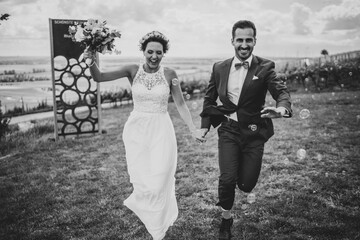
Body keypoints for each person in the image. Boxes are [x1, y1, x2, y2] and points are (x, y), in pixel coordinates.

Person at [84, 31, 205, 240]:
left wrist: (193, 128)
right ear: (143, 51)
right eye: (150, 52)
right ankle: (151, 217)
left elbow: (181, 104)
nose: (154, 56)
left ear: (164, 53)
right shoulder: (132, 70)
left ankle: (158, 227)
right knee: (143, 179)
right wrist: (90, 58)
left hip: (161, 129)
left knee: (161, 176)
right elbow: (99, 77)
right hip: (137, 130)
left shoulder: (170, 74)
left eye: (159, 52)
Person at [200, 20, 292, 240]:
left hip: (254, 132)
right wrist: (204, 127)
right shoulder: (219, 67)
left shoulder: (265, 67)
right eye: (239, 40)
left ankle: (242, 176)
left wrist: (281, 109)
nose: (244, 44)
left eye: (248, 40)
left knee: (247, 184)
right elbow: (209, 97)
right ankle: (226, 219)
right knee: (227, 179)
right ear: (232, 40)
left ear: (254, 41)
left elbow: (281, 92)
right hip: (229, 130)